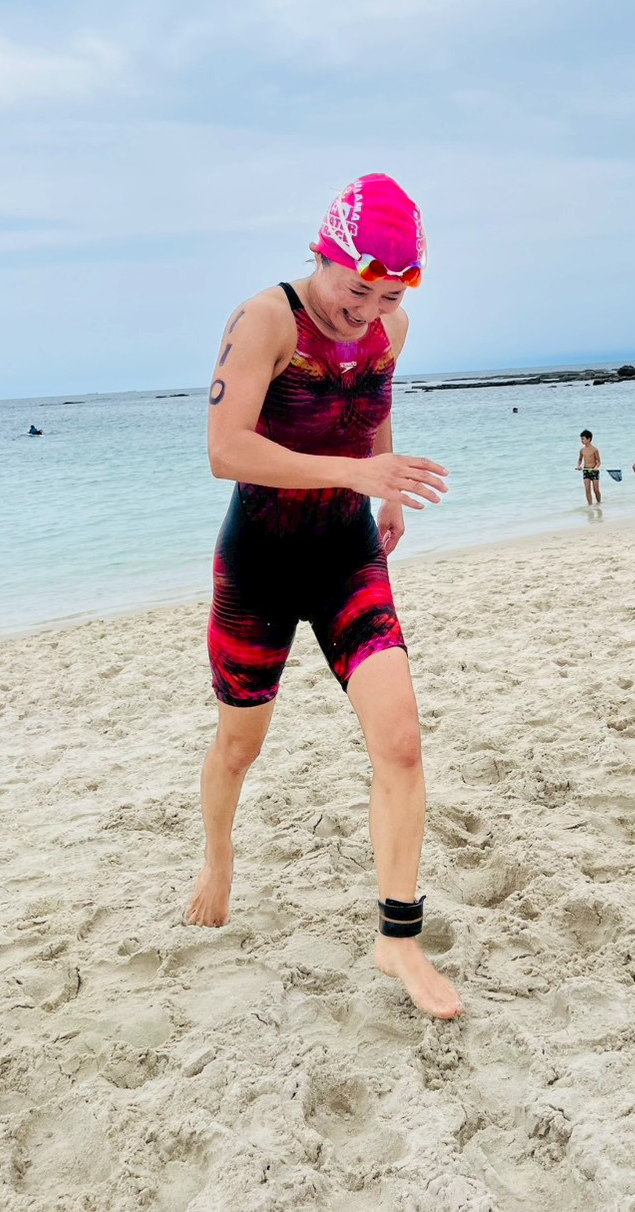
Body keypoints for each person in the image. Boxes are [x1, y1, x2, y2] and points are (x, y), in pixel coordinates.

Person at [189, 173, 462, 1020]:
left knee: (402, 742)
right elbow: (226, 450)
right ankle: (219, 855)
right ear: (324, 254)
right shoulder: (265, 320)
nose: (367, 312)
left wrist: (386, 488)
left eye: (389, 297)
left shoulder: (390, 329)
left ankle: (398, 937)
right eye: (357, 290)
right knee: (240, 746)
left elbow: (373, 402)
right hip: (260, 562)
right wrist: (357, 472)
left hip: (346, 554)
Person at [576, 429, 602, 504]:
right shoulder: (582, 450)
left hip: (594, 471)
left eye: (583, 439)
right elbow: (580, 459)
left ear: (589, 439)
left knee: (596, 490)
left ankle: (599, 503)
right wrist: (578, 466)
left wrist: (596, 467)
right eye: (581, 439)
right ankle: (590, 505)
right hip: (586, 470)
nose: (582, 441)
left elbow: (599, 461)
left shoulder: (594, 450)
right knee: (587, 490)